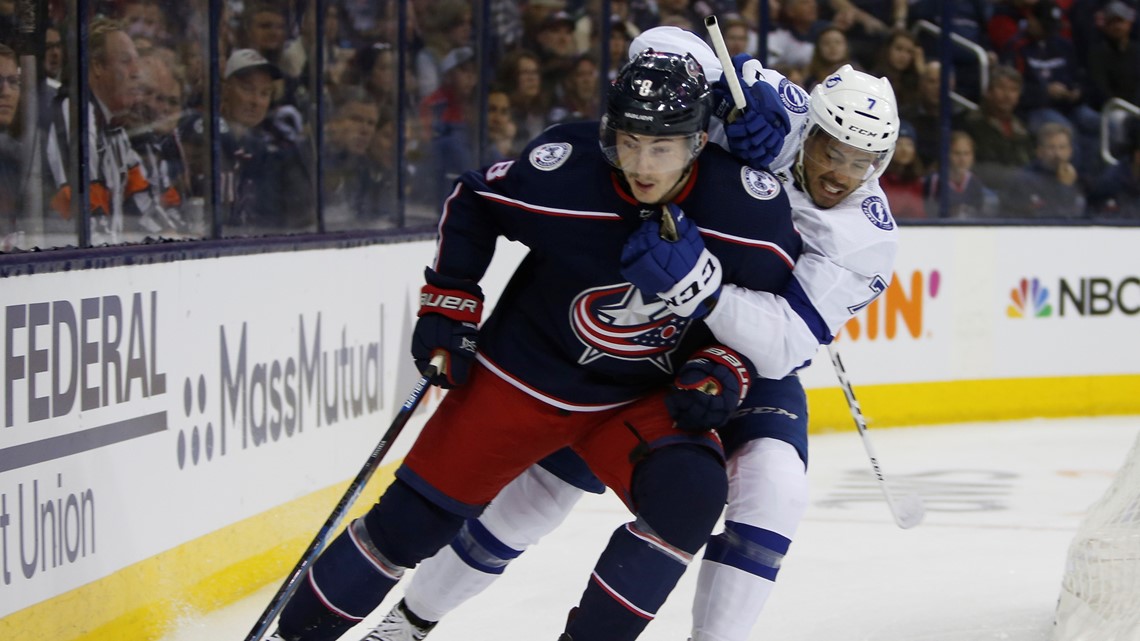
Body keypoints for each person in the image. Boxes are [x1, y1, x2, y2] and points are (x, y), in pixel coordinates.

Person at [362, 26, 902, 641]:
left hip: (733, 359)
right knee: (536, 497)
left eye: (863, 163)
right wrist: (728, 104)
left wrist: (702, 290)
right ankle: (408, 622)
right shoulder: (782, 104)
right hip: (638, 330)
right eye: (832, 150)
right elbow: (668, 43)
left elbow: (783, 344)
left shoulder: (868, 236)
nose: (840, 173)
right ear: (812, 127)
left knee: (776, 486)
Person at [264, 49, 805, 641]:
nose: (641, 165)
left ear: (699, 141)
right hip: (522, 378)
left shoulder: (746, 211)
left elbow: (768, 321)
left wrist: (719, 368)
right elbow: (473, 200)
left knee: (692, 494)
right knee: (407, 527)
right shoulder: (565, 172)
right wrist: (449, 298)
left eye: (662, 147)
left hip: (637, 399)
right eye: (628, 142)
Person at [44, 16, 179, 243]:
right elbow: (84, 220)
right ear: (97, 66)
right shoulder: (76, 114)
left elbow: (142, 205)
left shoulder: (115, 131)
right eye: (126, 61)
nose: (137, 72)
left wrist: (178, 244)